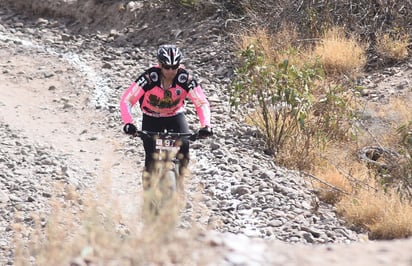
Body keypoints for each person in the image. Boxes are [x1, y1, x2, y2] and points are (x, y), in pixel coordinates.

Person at [119, 44, 213, 189]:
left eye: (174, 67)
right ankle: (148, 197)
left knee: (185, 148)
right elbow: (127, 99)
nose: (170, 71)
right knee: (151, 157)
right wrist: (128, 123)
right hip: (151, 117)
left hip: (174, 115)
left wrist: (205, 125)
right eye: (166, 67)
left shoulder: (184, 79)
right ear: (159, 65)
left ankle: (179, 184)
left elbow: (201, 102)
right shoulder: (150, 78)